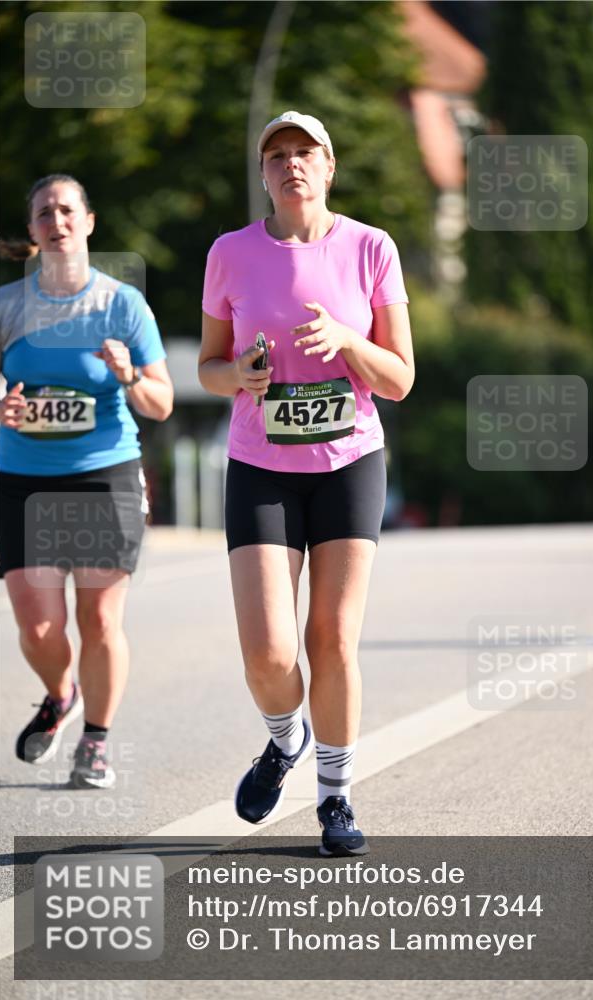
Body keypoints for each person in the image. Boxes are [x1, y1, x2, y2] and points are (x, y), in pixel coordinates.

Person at [199, 111, 414, 856]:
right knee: (266, 652)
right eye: (276, 155)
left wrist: (350, 342)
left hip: (349, 461)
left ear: (328, 167)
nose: (291, 164)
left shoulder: (370, 248)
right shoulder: (229, 252)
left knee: (332, 639)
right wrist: (241, 376)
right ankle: (283, 741)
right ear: (262, 175)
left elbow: (400, 380)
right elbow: (209, 368)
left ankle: (334, 796)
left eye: (305, 153)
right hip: (261, 464)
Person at [0, 174, 173, 789]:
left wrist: (127, 375)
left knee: (98, 619)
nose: (57, 220)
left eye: (67, 210)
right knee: (38, 627)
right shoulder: (6, 307)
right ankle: (59, 693)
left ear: (89, 222)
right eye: (44, 212)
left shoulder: (122, 305)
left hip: (105, 474)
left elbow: (161, 402)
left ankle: (95, 740)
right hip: (22, 479)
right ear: (33, 231)